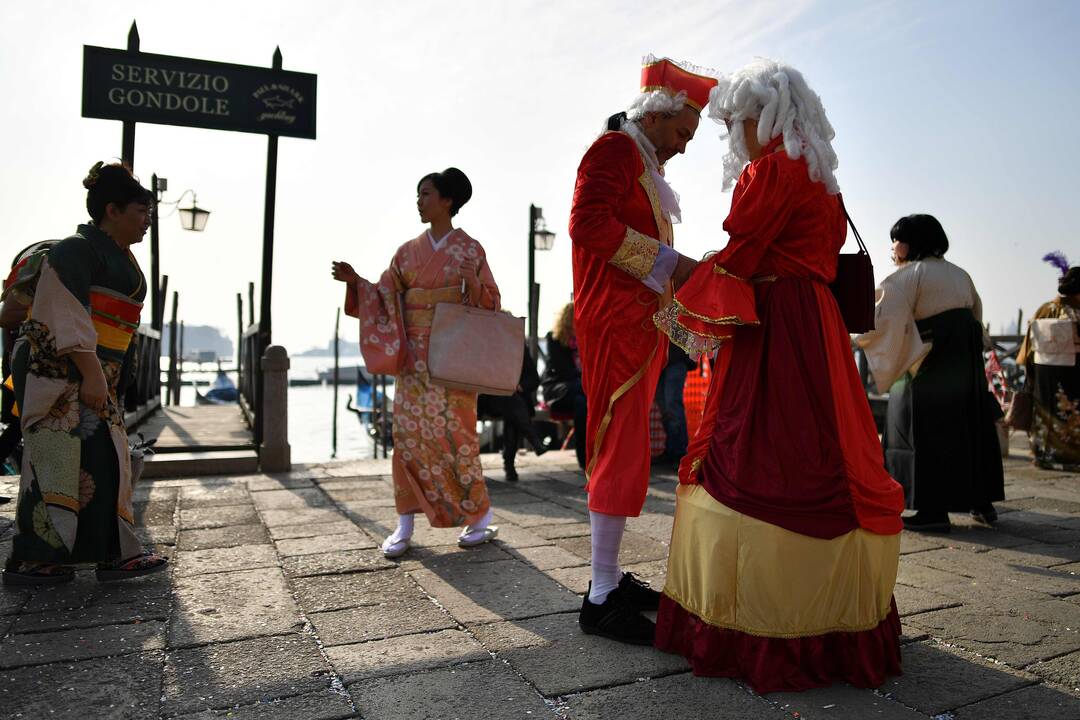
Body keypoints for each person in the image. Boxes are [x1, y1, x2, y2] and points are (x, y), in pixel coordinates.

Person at [652, 60, 905, 692]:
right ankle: (836, 618)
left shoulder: (771, 171)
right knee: (827, 448)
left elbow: (742, 253)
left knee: (760, 448)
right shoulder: (821, 178)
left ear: (764, 120)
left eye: (739, 120)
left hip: (776, 322)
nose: (735, 134)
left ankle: (756, 623)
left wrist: (679, 296)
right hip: (815, 321)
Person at [569, 54, 716, 645]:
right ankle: (600, 594)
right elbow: (587, 224)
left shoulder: (640, 160)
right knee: (615, 442)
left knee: (627, 446)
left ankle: (608, 578)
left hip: (638, 322)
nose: (684, 146)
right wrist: (674, 263)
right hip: (613, 321)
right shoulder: (614, 151)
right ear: (655, 117)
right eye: (682, 133)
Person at [2, 162, 167, 585]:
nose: (146, 220)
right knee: (56, 459)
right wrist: (92, 372)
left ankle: (110, 552)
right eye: (140, 211)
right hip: (60, 367)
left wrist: (106, 374)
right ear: (112, 210)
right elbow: (66, 311)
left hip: (94, 367)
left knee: (105, 460)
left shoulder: (113, 253)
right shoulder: (76, 249)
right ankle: (36, 558)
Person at [333, 167, 501, 559]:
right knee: (407, 440)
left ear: (448, 200)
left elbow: (492, 304)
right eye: (418, 195)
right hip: (413, 362)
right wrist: (356, 282)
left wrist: (474, 286)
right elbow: (383, 296)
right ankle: (405, 522)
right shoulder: (406, 253)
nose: (419, 201)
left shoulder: (470, 250)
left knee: (458, 438)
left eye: (426, 194)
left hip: (453, 360)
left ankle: (480, 515)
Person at [856, 214, 1004, 531]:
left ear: (909, 244)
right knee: (969, 429)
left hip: (927, 362)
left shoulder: (908, 277)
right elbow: (975, 316)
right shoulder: (960, 274)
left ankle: (932, 510)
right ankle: (981, 502)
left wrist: (854, 338)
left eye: (895, 240)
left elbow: (882, 321)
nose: (893, 247)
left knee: (919, 430)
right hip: (964, 364)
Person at [1016, 260, 1080, 470]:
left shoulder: (1044, 310)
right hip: (1074, 376)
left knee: (1047, 412)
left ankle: (1044, 453)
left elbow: (1026, 353)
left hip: (1043, 376)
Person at [477, 344, 546, 483]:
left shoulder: (519, 346)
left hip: (514, 398)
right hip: (489, 398)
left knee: (512, 407)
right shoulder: (483, 343)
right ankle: (532, 443)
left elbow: (534, 379)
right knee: (513, 406)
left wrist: (520, 386)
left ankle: (511, 466)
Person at [540, 302, 586, 469]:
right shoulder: (555, 338)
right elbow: (563, 370)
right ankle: (586, 457)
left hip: (580, 392)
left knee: (583, 403)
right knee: (585, 393)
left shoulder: (587, 338)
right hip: (559, 390)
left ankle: (586, 457)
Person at [654, 340, 695, 464]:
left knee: (672, 406)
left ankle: (679, 453)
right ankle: (671, 450)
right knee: (665, 407)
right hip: (660, 359)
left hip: (676, 357)